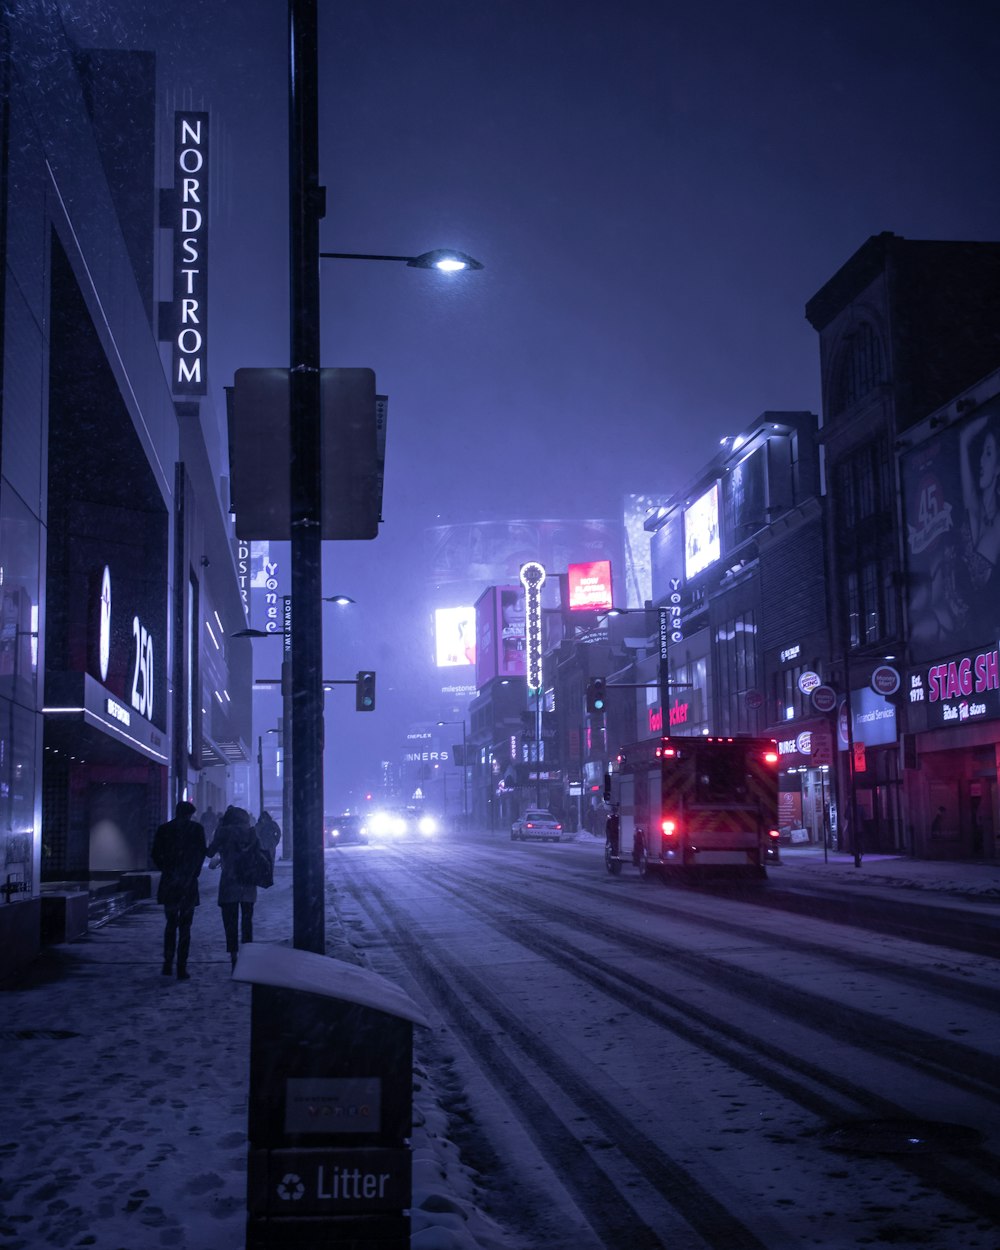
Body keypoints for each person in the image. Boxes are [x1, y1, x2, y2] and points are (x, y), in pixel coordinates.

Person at [151, 800, 207, 981]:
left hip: (170, 884)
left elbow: (155, 854)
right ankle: (181, 966)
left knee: (170, 924)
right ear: (190, 813)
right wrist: (193, 872)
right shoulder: (196, 830)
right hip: (188, 883)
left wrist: (168, 870)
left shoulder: (164, 830)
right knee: (185, 926)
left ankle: (168, 962)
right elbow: (201, 854)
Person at [207, 805, 260, 969]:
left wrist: (219, 830)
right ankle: (248, 954)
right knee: (247, 921)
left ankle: (234, 956)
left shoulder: (223, 832)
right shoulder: (251, 832)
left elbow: (209, 852)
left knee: (230, 922)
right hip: (248, 883)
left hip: (229, 881)